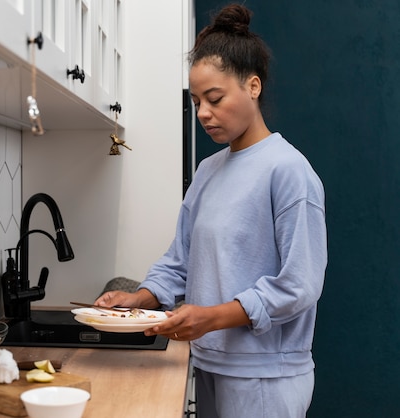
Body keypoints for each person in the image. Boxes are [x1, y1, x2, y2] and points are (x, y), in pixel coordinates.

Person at [94, 4, 327, 418]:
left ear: (253, 86)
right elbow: (180, 261)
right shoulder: (208, 171)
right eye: (197, 100)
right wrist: (139, 299)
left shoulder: (289, 171)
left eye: (214, 98)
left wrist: (211, 318)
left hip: (265, 379)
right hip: (208, 362)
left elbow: (299, 285)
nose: (203, 112)